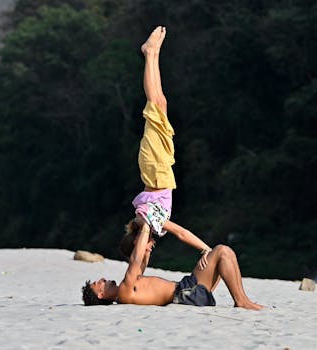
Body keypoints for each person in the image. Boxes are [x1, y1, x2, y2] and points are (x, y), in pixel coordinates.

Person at [122, 26, 211, 270]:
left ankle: (150, 53)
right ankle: (154, 54)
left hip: (155, 167)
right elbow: (176, 232)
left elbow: (180, 234)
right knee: (160, 103)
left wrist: (206, 249)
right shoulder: (150, 221)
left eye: (148, 248)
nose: (151, 248)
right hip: (159, 167)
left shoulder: (147, 220)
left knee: (154, 104)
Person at [82, 222, 264, 310]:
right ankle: (241, 301)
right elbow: (136, 258)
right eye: (99, 283)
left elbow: (142, 256)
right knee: (222, 251)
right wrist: (146, 222)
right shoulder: (124, 290)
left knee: (225, 254)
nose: (103, 279)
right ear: (101, 294)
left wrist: (146, 228)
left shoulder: (131, 285)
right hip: (185, 293)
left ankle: (243, 299)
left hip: (186, 288)